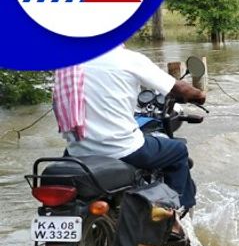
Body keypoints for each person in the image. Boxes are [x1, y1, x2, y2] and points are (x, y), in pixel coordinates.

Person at [53, 45, 206, 210]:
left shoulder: (67, 64)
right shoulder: (128, 59)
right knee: (178, 150)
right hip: (123, 149)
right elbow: (180, 89)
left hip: (77, 151)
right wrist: (199, 95)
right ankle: (175, 214)